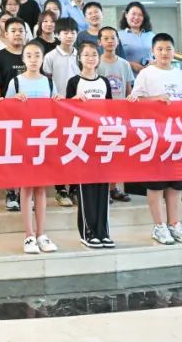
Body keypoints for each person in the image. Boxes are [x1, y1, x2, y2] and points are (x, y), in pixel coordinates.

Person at [127, 33, 182, 246]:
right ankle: (159, 226)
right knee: (156, 184)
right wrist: (155, 99)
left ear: (174, 51)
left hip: (178, 135)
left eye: (168, 49)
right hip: (155, 136)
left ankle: (174, 224)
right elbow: (134, 101)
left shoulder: (180, 74)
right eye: (160, 49)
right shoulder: (146, 74)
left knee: (176, 184)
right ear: (153, 52)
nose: (165, 53)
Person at [5, 42, 62, 255]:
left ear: (42, 58)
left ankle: (41, 234)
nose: (33, 59)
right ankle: (28, 235)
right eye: (28, 55)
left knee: (41, 188)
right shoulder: (16, 82)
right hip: (23, 141)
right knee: (26, 187)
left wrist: (58, 100)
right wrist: (13, 100)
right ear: (23, 59)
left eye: (37, 55)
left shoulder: (49, 82)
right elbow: (4, 110)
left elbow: (57, 110)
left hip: (44, 142)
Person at [66, 42, 115, 249]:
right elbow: (66, 111)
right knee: (86, 188)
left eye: (94, 54)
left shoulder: (104, 82)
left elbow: (111, 110)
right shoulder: (74, 81)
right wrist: (73, 101)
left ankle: (103, 231)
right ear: (79, 58)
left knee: (103, 188)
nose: (90, 58)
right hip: (82, 141)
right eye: (86, 54)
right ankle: (88, 232)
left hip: (101, 140)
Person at [96, 26, 135, 203]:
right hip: (102, 115)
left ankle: (114, 187)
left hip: (120, 115)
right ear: (100, 42)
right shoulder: (96, 63)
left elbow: (128, 88)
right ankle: (103, 189)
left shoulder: (124, 64)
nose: (110, 41)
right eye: (106, 38)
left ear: (118, 41)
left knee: (117, 152)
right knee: (103, 152)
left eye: (113, 38)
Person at [119, 1, 156, 74]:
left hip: (150, 76)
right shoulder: (118, 36)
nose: (136, 17)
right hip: (128, 77)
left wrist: (154, 62)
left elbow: (158, 55)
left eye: (140, 15)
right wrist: (130, 64)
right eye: (133, 14)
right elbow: (113, 59)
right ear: (126, 15)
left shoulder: (151, 35)